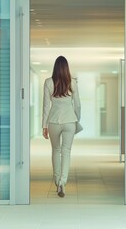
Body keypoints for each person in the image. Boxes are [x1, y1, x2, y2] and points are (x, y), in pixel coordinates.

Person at [42, 55, 81, 198]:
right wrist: (77, 119)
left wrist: (44, 126)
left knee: (55, 150)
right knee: (66, 152)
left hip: (53, 121)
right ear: (66, 68)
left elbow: (46, 106)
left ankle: (57, 180)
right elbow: (77, 105)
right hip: (70, 121)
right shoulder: (73, 82)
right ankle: (63, 181)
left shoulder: (48, 82)